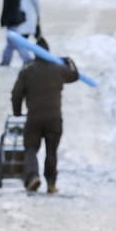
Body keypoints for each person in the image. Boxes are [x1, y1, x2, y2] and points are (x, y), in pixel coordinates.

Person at [11, 37, 79, 194]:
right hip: (54, 119)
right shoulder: (58, 69)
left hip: (34, 118)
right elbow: (75, 75)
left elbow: (16, 94)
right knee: (51, 151)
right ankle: (51, 183)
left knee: (31, 149)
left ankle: (33, 176)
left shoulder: (27, 70)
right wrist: (69, 61)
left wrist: (17, 111)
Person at [0, 0, 40, 67]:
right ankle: (5, 62)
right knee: (12, 42)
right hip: (22, 18)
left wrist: (5, 19)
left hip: (15, 19)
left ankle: (27, 60)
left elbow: (9, 5)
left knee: (15, 41)